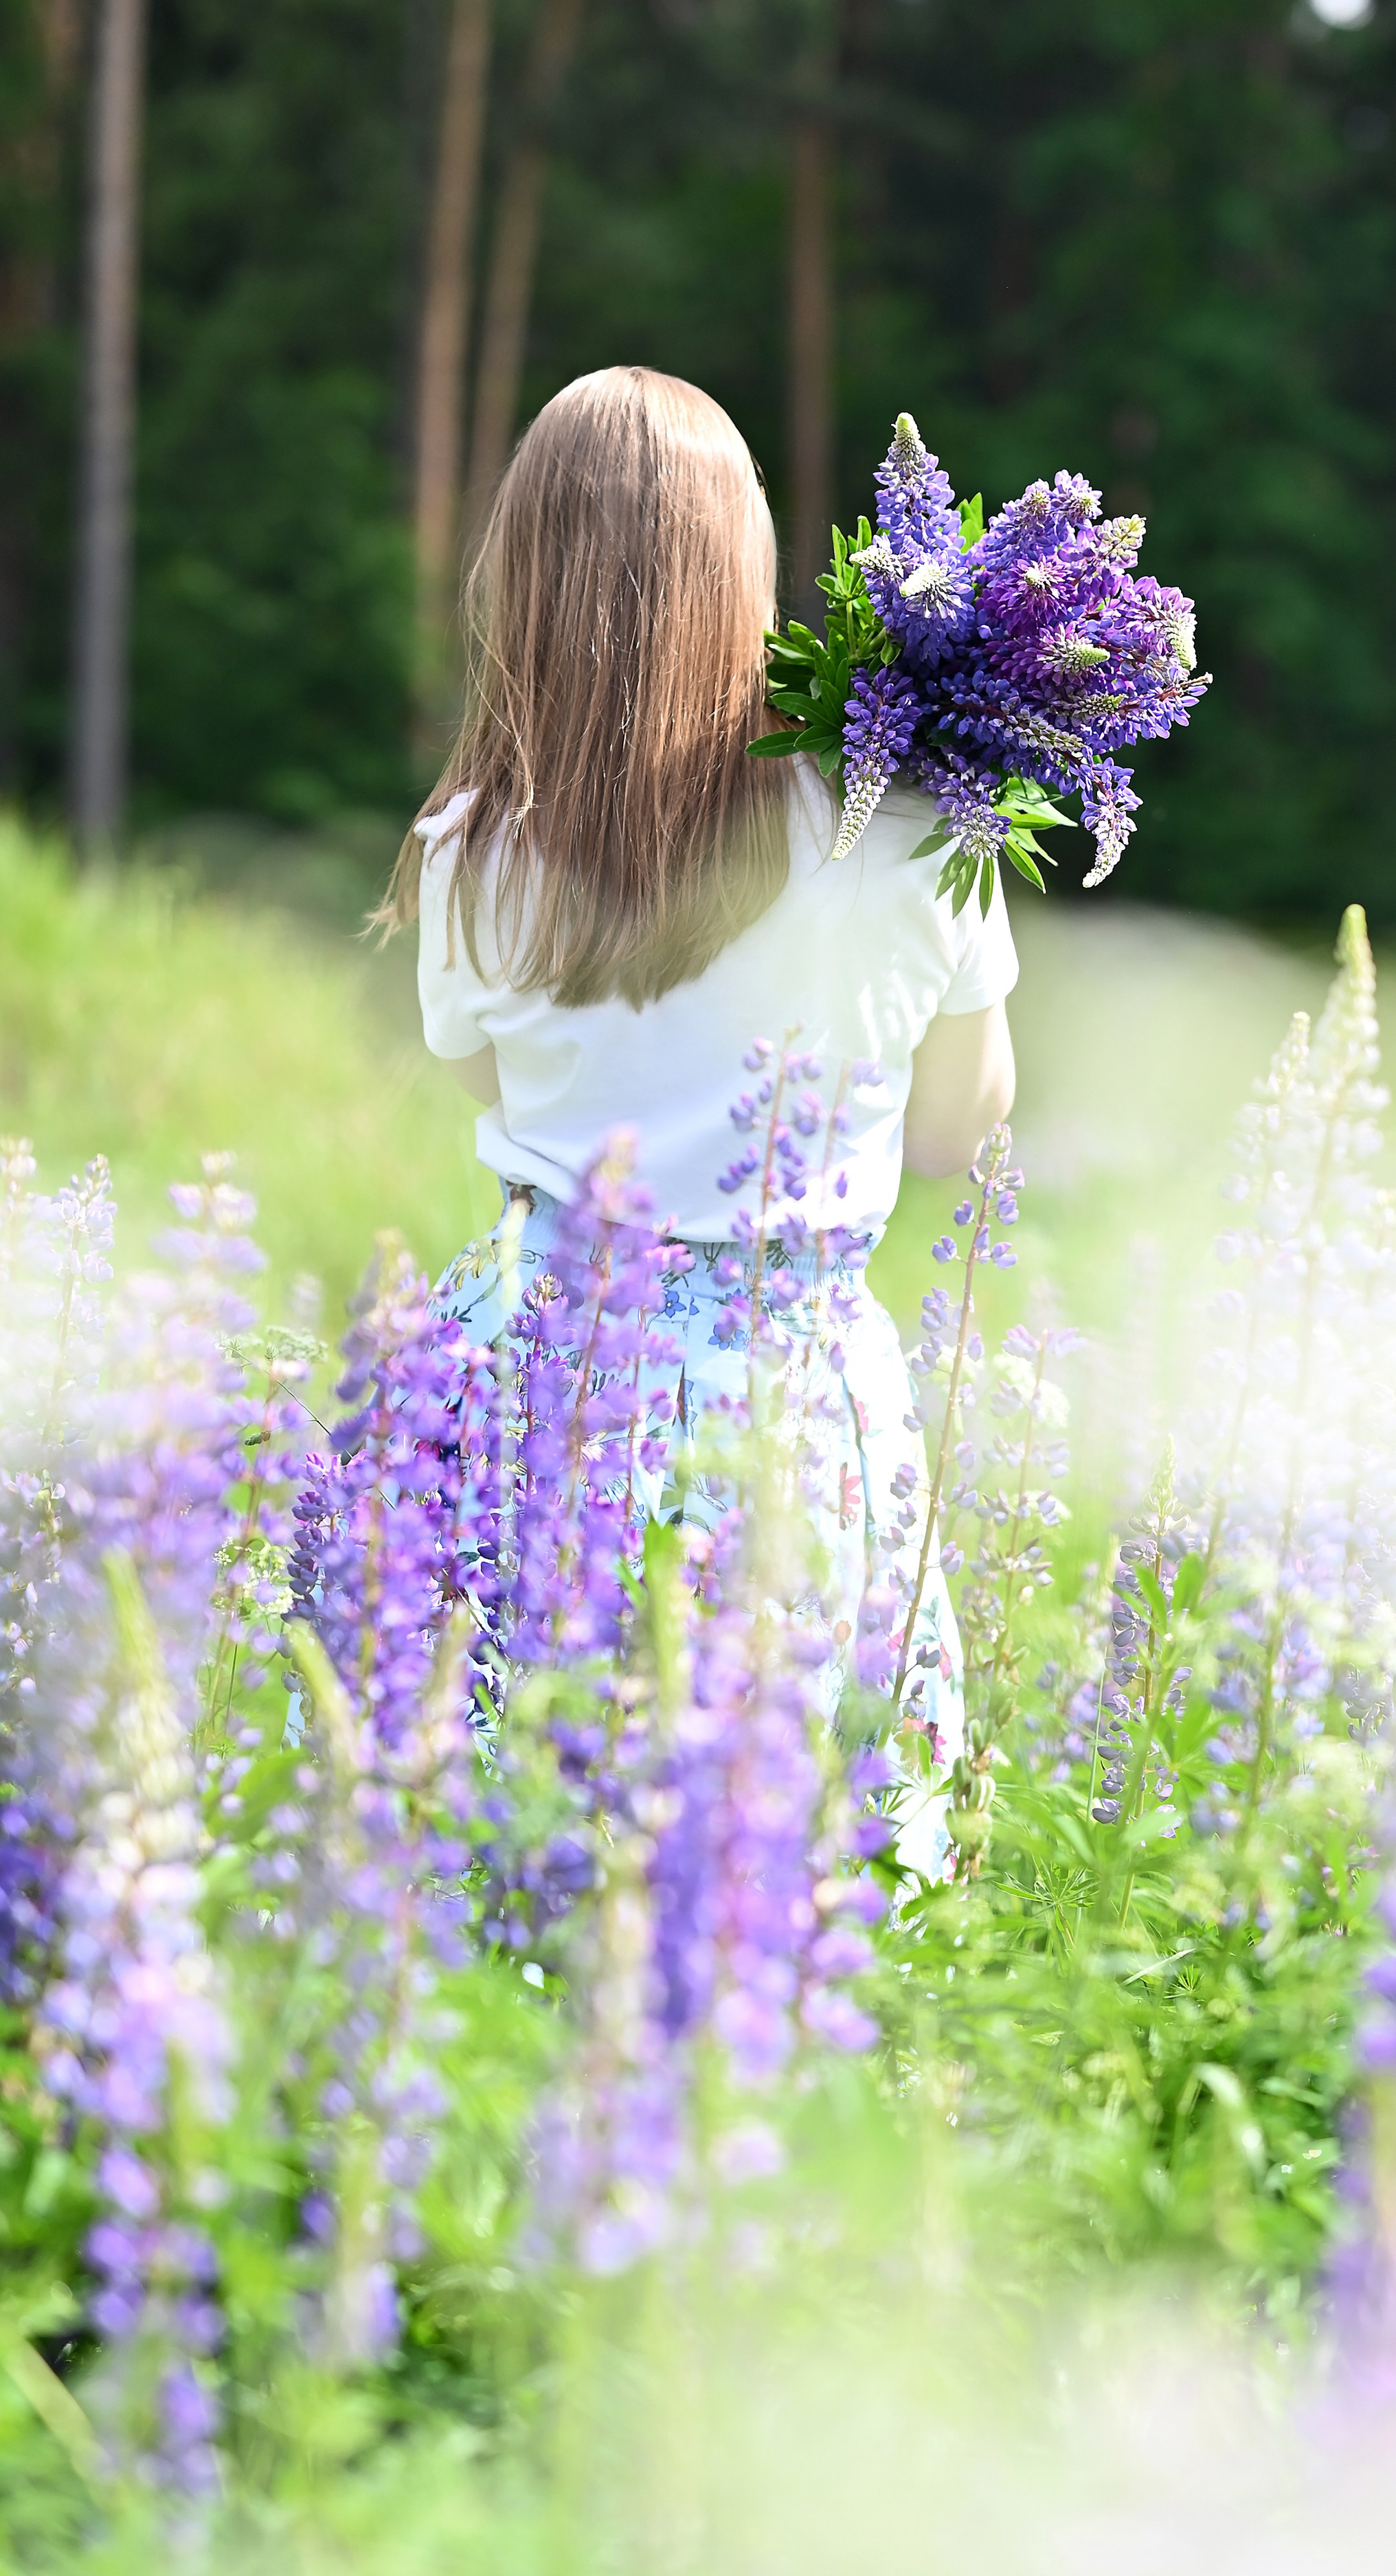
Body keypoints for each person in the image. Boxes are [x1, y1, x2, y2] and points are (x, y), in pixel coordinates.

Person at [377, 364, 1018, 1852]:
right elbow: (950, 1141)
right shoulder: (912, 829)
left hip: (537, 1373)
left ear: (519, 575)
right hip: (791, 1409)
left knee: (517, 1854)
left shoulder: (471, 848)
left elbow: (492, 1082)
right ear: (748, 567)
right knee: (779, 1879)